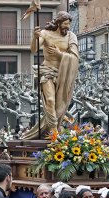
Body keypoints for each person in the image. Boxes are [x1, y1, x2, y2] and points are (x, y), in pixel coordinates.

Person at [23, 11, 79, 139]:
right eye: (65, 23)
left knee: (60, 105)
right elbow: (34, 49)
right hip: (47, 71)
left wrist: (60, 55)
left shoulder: (71, 37)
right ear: (58, 22)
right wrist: (34, 37)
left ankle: (51, 128)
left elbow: (75, 57)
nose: (67, 26)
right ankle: (54, 131)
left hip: (63, 75)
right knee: (50, 100)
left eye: (69, 24)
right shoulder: (45, 34)